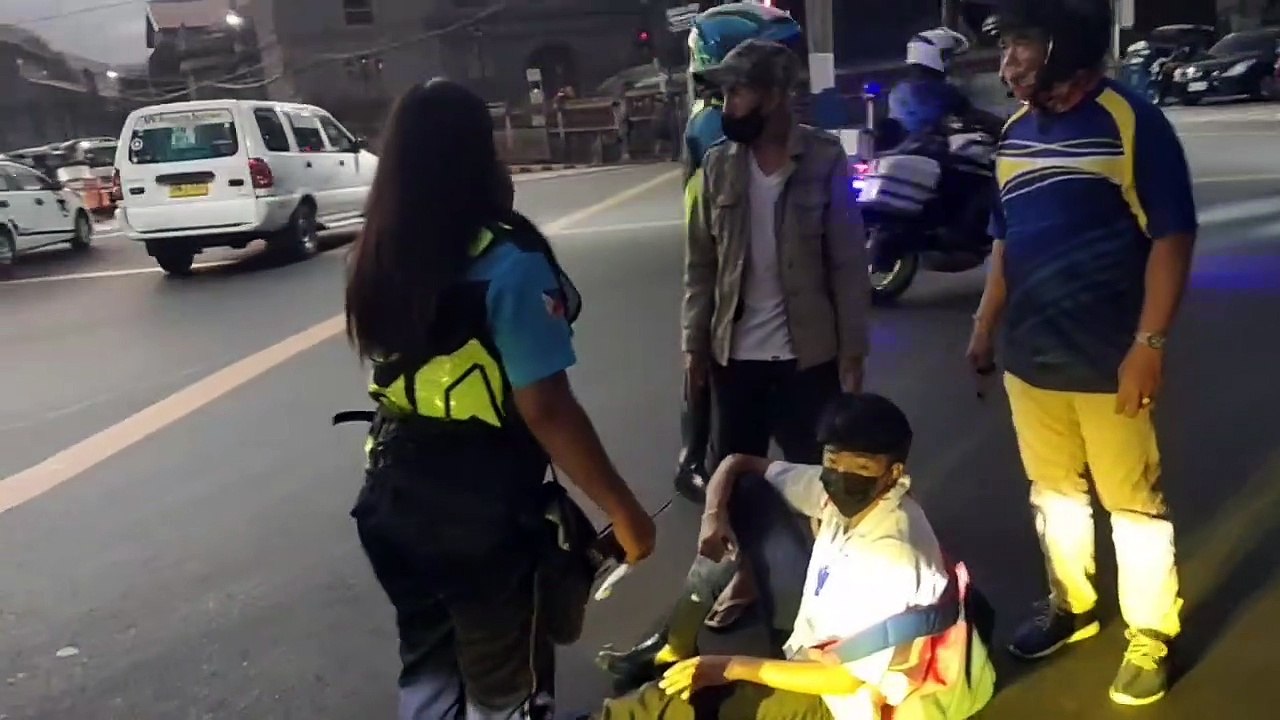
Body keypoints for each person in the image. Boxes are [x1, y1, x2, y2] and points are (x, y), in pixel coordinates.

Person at [341, 79, 656, 720]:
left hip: (391, 500)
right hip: (478, 521)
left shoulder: (376, 252)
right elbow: (548, 410)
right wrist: (624, 511)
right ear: (476, 157)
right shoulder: (510, 264)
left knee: (429, 664)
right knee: (504, 683)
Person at [968, 0, 1197, 707]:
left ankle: (1151, 634)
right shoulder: (1013, 131)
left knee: (1132, 505)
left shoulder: (1130, 122)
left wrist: (1148, 345)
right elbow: (1007, 240)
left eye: (1021, 45)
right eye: (1005, 48)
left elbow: (1172, 236)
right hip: (1030, 359)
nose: (1008, 63)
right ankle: (1073, 605)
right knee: (1055, 497)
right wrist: (984, 326)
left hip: (1109, 359)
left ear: (1064, 46)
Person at [592, 394, 995, 720]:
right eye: (833, 460)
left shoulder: (892, 558)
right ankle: (675, 645)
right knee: (748, 490)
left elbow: (844, 681)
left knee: (681, 700)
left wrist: (729, 667)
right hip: (818, 632)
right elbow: (740, 464)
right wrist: (714, 518)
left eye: (862, 466)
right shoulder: (850, 497)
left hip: (843, 702)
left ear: (892, 473)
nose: (841, 475)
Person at [680, 38, 872, 632]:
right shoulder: (717, 163)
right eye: (724, 93)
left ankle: (829, 585)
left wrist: (852, 350)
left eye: (738, 92)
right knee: (735, 481)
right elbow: (701, 263)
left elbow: (846, 260)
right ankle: (748, 578)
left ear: (775, 96)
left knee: (817, 477)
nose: (726, 105)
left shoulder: (821, 159)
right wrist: (693, 344)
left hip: (805, 356)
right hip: (733, 355)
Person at [887, 28, 1006, 139]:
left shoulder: (898, 89)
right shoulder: (940, 90)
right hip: (933, 151)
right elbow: (975, 116)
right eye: (946, 55)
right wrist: (1006, 126)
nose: (951, 62)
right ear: (931, 54)